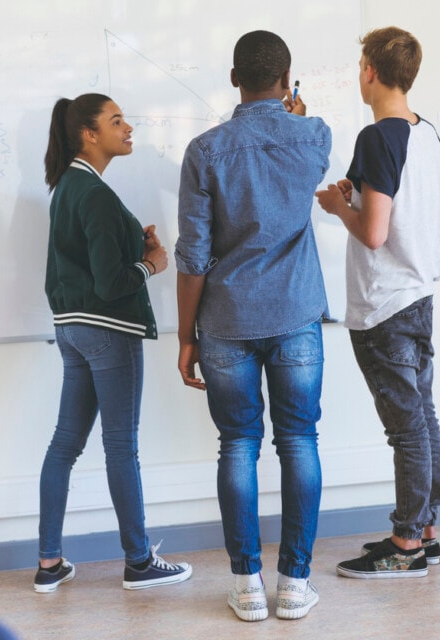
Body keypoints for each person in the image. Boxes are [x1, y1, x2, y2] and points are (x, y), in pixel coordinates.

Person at [175, 31, 331, 621]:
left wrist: (186, 335)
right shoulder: (314, 135)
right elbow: (303, 143)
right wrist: (295, 113)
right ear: (288, 80)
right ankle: (294, 584)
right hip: (295, 317)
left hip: (225, 322)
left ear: (233, 77)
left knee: (237, 444)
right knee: (299, 441)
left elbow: (192, 257)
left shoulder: (204, 150)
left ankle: (246, 586)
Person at [35, 93, 193, 594]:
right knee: (121, 446)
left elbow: (86, 263)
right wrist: (151, 264)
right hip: (107, 331)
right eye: (117, 121)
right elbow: (110, 283)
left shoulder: (67, 186)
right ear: (89, 133)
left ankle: (49, 563)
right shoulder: (97, 194)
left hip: (72, 331)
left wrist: (134, 245)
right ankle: (139, 561)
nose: (129, 128)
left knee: (64, 445)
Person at [315, 26, 440, 579]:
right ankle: (425, 529)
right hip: (418, 294)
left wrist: (335, 208)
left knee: (406, 428)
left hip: (386, 304)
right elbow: (381, 195)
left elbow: (372, 233)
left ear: (369, 71)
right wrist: (351, 192)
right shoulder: (426, 132)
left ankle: (407, 544)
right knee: (422, 416)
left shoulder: (377, 137)